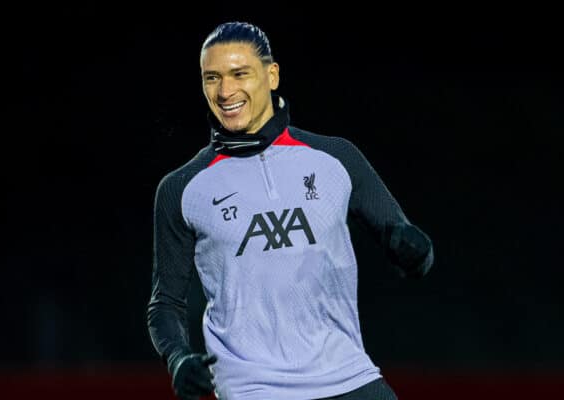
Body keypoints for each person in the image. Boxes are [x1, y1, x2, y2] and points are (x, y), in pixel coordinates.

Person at [147, 21, 434, 400]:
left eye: (239, 74)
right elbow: (165, 303)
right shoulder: (182, 188)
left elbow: (414, 252)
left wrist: (416, 252)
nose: (225, 91)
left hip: (349, 377)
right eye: (211, 77)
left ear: (272, 75)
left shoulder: (337, 159)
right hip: (252, 389)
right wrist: (179, 358)